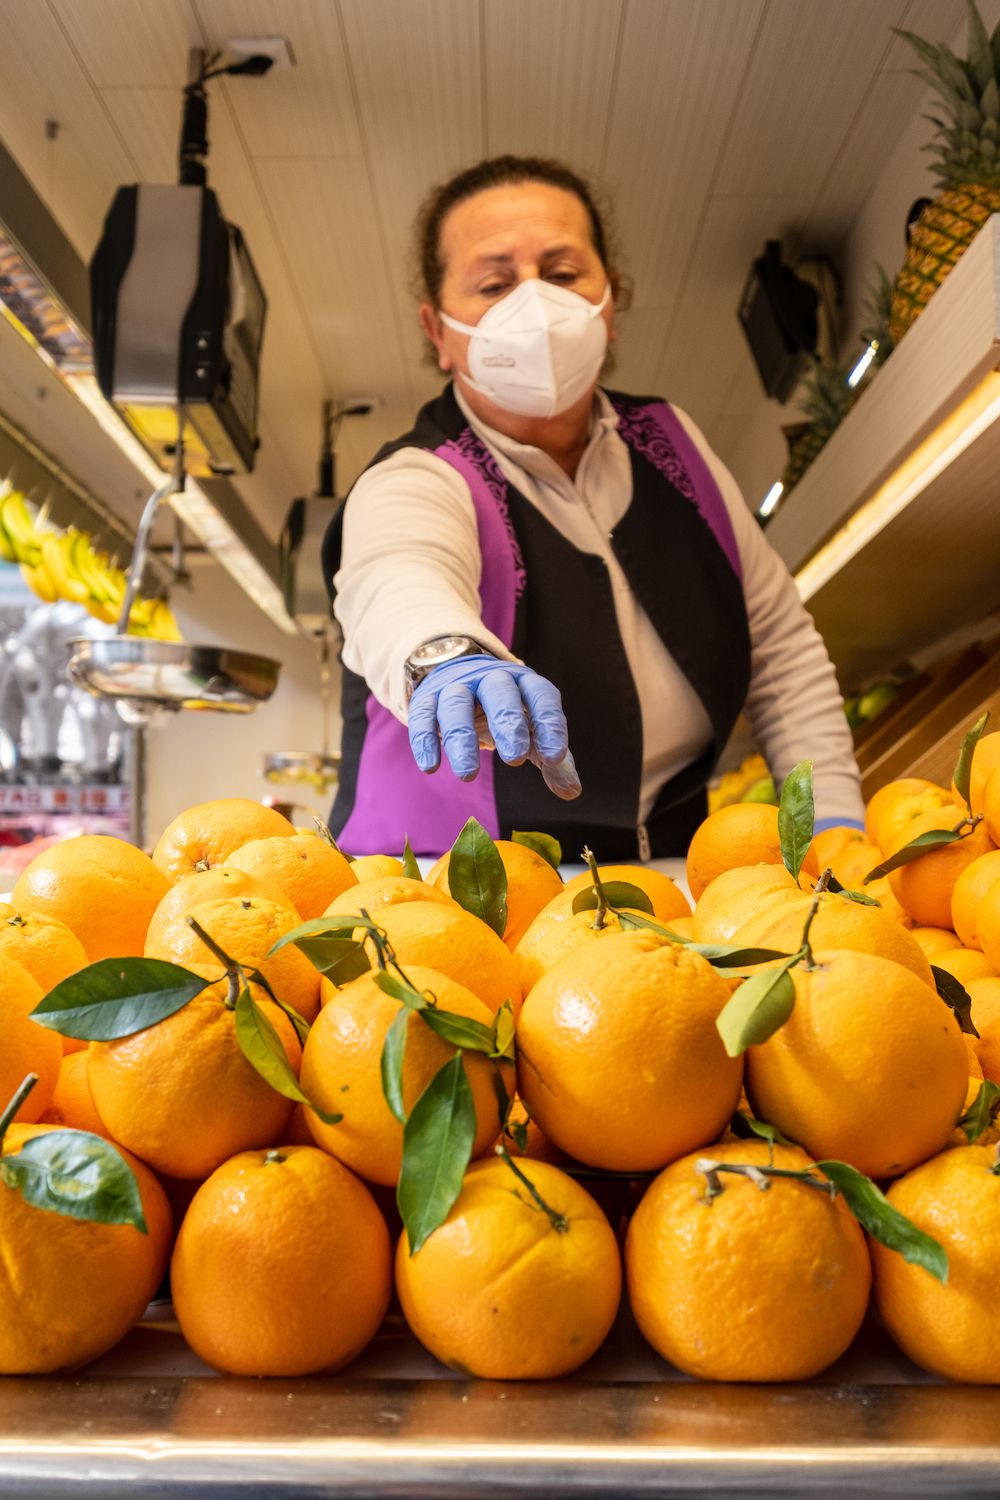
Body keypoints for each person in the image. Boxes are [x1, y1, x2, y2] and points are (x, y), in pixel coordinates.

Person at [323, 155, 864, 859]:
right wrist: (444, 656)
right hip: (441, 879)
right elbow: (397, 576)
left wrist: (830, 823)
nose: (535, 307)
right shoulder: (419, 475)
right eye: (494, 283)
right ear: (438, 332)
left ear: (610, 302)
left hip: (667, 864)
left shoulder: (673, 441)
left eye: (562, 273)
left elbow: (780, 650)